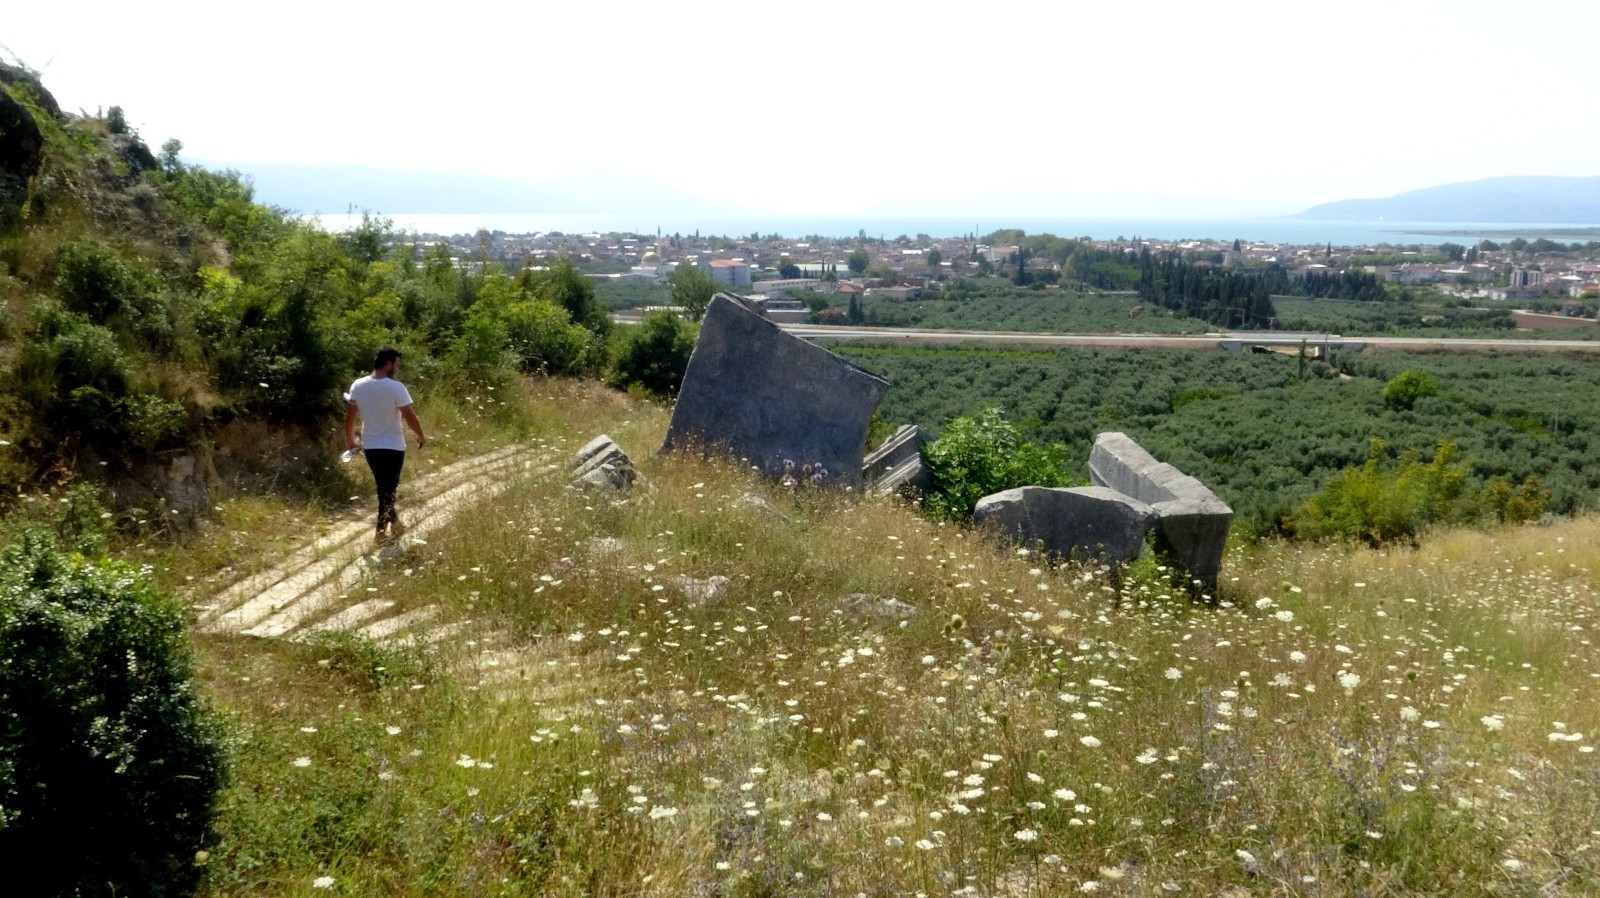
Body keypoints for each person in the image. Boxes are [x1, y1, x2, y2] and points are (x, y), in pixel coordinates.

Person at [345, 346, 426, 543]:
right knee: (388, 489)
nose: (398, 367)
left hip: (371, 445)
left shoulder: (358, 385)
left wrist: (350, 439)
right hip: (393, 446)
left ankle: (395, 524)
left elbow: (350, 416)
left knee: (384, 488)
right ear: (388, 364)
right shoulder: (396, 387)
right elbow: (409, 415)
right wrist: (421, 435)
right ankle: (379, 533)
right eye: (397, 364)